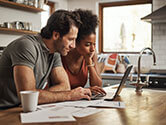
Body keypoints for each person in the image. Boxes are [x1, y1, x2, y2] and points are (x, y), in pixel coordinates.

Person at [0, 10, 91, 109]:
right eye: (70, 39)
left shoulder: (55, 53)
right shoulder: (26, 46)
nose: (73, 46)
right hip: (5, 110)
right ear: (56, 35)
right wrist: (69, 95)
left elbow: (65, 86)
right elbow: (28, 96)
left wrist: (40, 95)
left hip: (24, 108)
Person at [61, 9, 106, 95]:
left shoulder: (91, 54)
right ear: (75, 42)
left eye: (94, 44)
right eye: (88, 44)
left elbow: (98, 86)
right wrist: (85, 90)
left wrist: (89, 62)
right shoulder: (62, 54)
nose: (92, 49)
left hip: (76, 102)